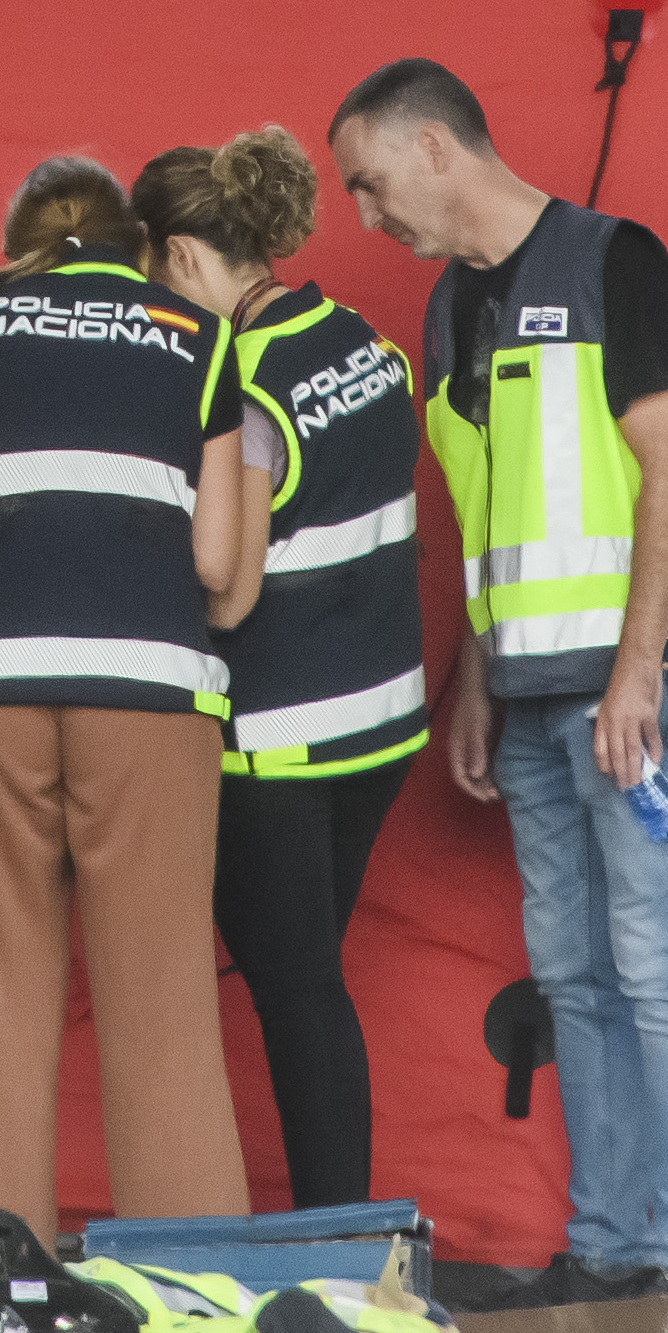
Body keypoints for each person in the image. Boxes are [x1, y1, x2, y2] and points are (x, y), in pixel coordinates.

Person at [329, 58, 668, 1300]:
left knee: (659, 961)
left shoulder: (615, 258)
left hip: (646, 681)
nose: (366, 216)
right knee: (575, 971)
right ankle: (610, 1247)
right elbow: (490, 516)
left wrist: (637, 675)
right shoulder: (451, 312)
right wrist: (474, 681)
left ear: (435, 148)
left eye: (369, 183)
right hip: (531, 694)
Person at [0, 155, 266, 1232]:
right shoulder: (201, 343)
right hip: (150, 690)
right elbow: (218, 564)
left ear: (24, 246)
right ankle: (192, 1280)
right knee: (164, 1003)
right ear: (138, 249)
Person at [133, 127, 423, 1212]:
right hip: (384, 725)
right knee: (308, 980)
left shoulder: (241, 379)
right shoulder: (357, 337)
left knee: (299, 994)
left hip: (283, 743)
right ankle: (334, 1226)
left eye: (155, 279)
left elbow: (230, 589)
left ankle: (338, 1236)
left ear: (186, 259)